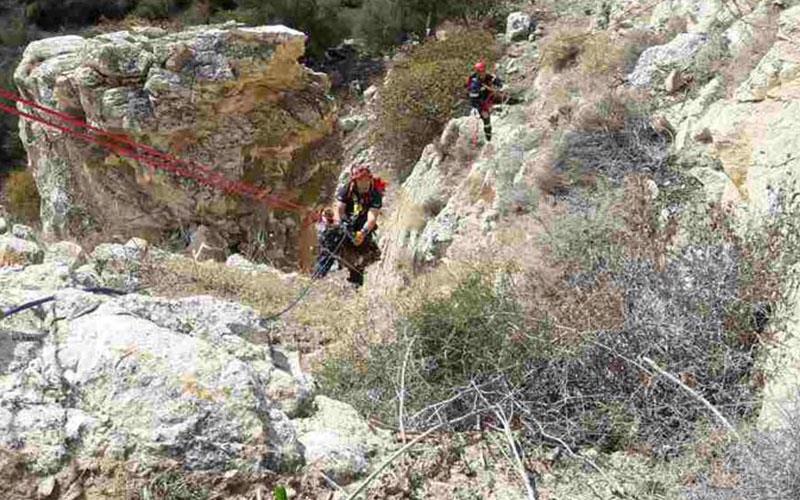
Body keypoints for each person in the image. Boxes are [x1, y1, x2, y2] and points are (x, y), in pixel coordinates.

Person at [313, 165, 386, 288]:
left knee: (361, 254)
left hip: (363, 226)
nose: (363, 182)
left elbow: (372, 217)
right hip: (346, 223)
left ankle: (356, 284)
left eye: (365, 179)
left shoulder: (375, 194)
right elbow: (339, 210)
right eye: (359, 180)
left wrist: (362, 233)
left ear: (369, 179)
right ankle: (319, 275)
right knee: (330, 240)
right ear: (355, 180)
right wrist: (342, 223)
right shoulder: (347, 189)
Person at [466, 61, 503, 142]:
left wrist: (500, 85)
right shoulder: (474, 85)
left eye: (484, 71)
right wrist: (481, 108)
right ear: (477, 72)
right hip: (479, 102)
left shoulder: (488, 76)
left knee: (504, 97)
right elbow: (474, 100)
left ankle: (520, 101)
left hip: (488, 96)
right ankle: (488, 138)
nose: (483, 73)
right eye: (481, 72)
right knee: (486, 117)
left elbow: (497, 81)